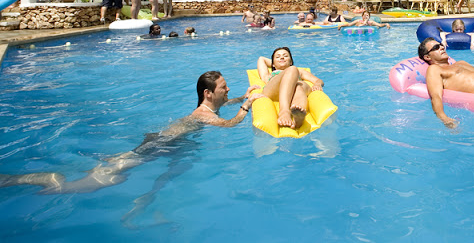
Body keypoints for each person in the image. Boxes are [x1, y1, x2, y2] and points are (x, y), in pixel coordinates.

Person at [0, 71, 262, 193]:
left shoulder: (209, 107)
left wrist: (242, 95)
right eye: (224, 87)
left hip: (163, 140)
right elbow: (229, 124)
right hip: (162, 144)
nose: (227, 90)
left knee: (116, 165)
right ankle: (52, 181)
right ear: (208, 93)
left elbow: (226, 104)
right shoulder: (203, 115)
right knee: (103, 179)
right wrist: (247, 106)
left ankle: (48, 178)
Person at [256, 47, 324, 129]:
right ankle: (284, 111)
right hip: (274, 92)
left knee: (299, 85)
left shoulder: (300, 71)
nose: (282, 57)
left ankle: (298, 116)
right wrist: (279, 62)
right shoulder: (268, 75)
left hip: (295, 92)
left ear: (291, 61)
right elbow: (261, 59)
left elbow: (318, 80)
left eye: (285, 56)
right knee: (292, 70)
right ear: (272, 64)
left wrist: (318, 84)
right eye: (278, 57)